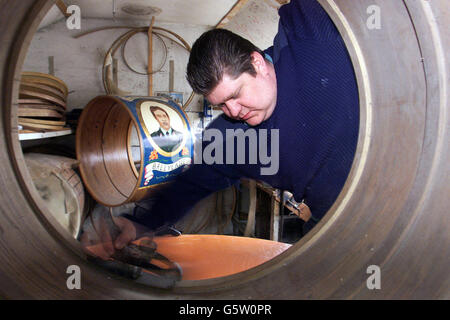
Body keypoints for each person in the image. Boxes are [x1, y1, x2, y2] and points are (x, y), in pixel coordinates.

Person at [89, 0, 359, 255]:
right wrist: (140, 224)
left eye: (235, 94)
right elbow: (189, 185)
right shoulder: (232, 139)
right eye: (221, 105)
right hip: (338, 218)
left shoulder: (306, 36)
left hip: (393, 166)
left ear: (257, 63)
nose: (233, 111)